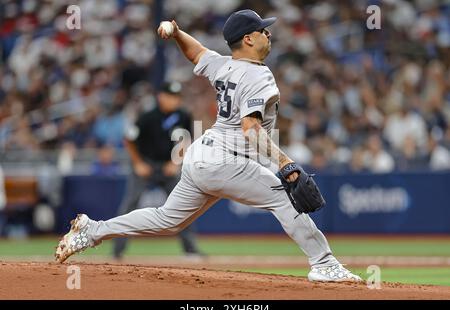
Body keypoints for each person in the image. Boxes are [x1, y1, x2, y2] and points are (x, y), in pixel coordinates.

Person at [55, 9, 362, 282]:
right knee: (283, 197)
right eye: (263, 30)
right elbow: (251, 128)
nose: (269, 33)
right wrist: (285, 163)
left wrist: (176, 33)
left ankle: (92, 230)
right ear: (248, 39)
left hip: (202, 155)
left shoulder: (224, 66)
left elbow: (196, 52)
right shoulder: (259, 76)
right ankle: (324, 263)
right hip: (223, 160)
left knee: (167, 220)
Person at [113, 81, 204, 259]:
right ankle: (118, 251)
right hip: (145, 165)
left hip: (168, 166)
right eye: (171, 96)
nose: (175, 100)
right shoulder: (147, 116)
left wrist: (176, 162)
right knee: (129, 205)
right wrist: (138, 163)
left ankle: (191, 250)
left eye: (177, 97)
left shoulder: (184, 115)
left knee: (184, 206)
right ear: (161, 97)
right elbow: (129, 139)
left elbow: (186, 140)